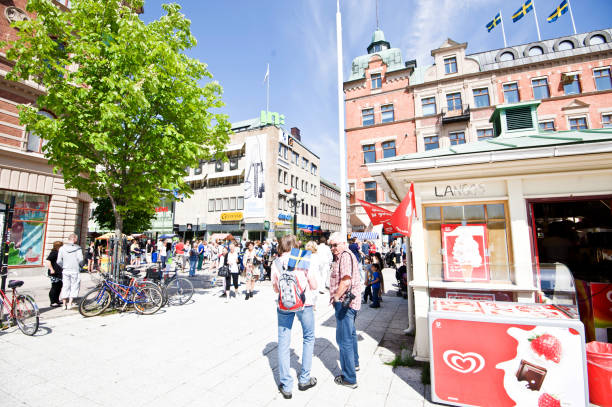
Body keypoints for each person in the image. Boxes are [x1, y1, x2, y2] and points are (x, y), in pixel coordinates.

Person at [272, 235, 318, 399]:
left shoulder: (276, 262)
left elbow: (276, 288)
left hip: (284, 304)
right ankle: (304, 379)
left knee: (283, 341)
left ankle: (286, 385)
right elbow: (314, 285)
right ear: (296, 245)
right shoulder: (305, 258)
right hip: (304, 304)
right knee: (308, 337)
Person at [328, 232, 362, 389]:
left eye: (335, 245)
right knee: (351, 333)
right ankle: (354, 363)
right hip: (350, 303)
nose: (333, 248)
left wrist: (336, 297)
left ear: (343, 243)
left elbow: (346, 280)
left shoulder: (345, 256)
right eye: (331, 245)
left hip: (344, 303)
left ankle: (349, 378)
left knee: (344, 339)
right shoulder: (342, 255)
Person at [57, 233, 83, 310]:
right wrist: (80, 266)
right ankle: (70, 303)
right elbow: (80, 259)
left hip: (65, 270)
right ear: (74, 239)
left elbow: (58, 261)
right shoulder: (78, 248)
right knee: (74, 286)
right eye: (76, 239)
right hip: (75, 270)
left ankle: (64, 304)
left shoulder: (62, 248)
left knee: (65, 286)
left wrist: (64, 266)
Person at [45, 240, 63, 307]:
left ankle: (57, 300)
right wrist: (51, 269)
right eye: (61, 246)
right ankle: (52, 302)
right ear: (58, 246)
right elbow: (48, 261)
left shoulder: (58, 252)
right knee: (54, 287)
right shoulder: (54, 252)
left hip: (58, 273)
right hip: (54, 273)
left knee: (59, 286)